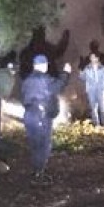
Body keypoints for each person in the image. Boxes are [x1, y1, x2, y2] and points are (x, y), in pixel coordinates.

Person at [21, 54, 71, 185]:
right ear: (44, 65)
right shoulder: (44, 79)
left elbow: (24, 97)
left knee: (34, 144)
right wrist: (65, 72)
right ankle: (39, 175)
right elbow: (58, 86)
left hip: (29, 115)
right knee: (43, 146)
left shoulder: (27, 80)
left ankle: (36, 171)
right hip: (41, 116)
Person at [79, 52, 104, 127]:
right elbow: (82, 78)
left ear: (97, 58)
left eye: (93, 57)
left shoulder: (103, 68)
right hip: (91, 90)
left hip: (101, 90)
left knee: (102, 107)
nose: (92, 59)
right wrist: (81, 71)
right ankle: (96, 124)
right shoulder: (87, 68)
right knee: (93, 108)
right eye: (91, 57)